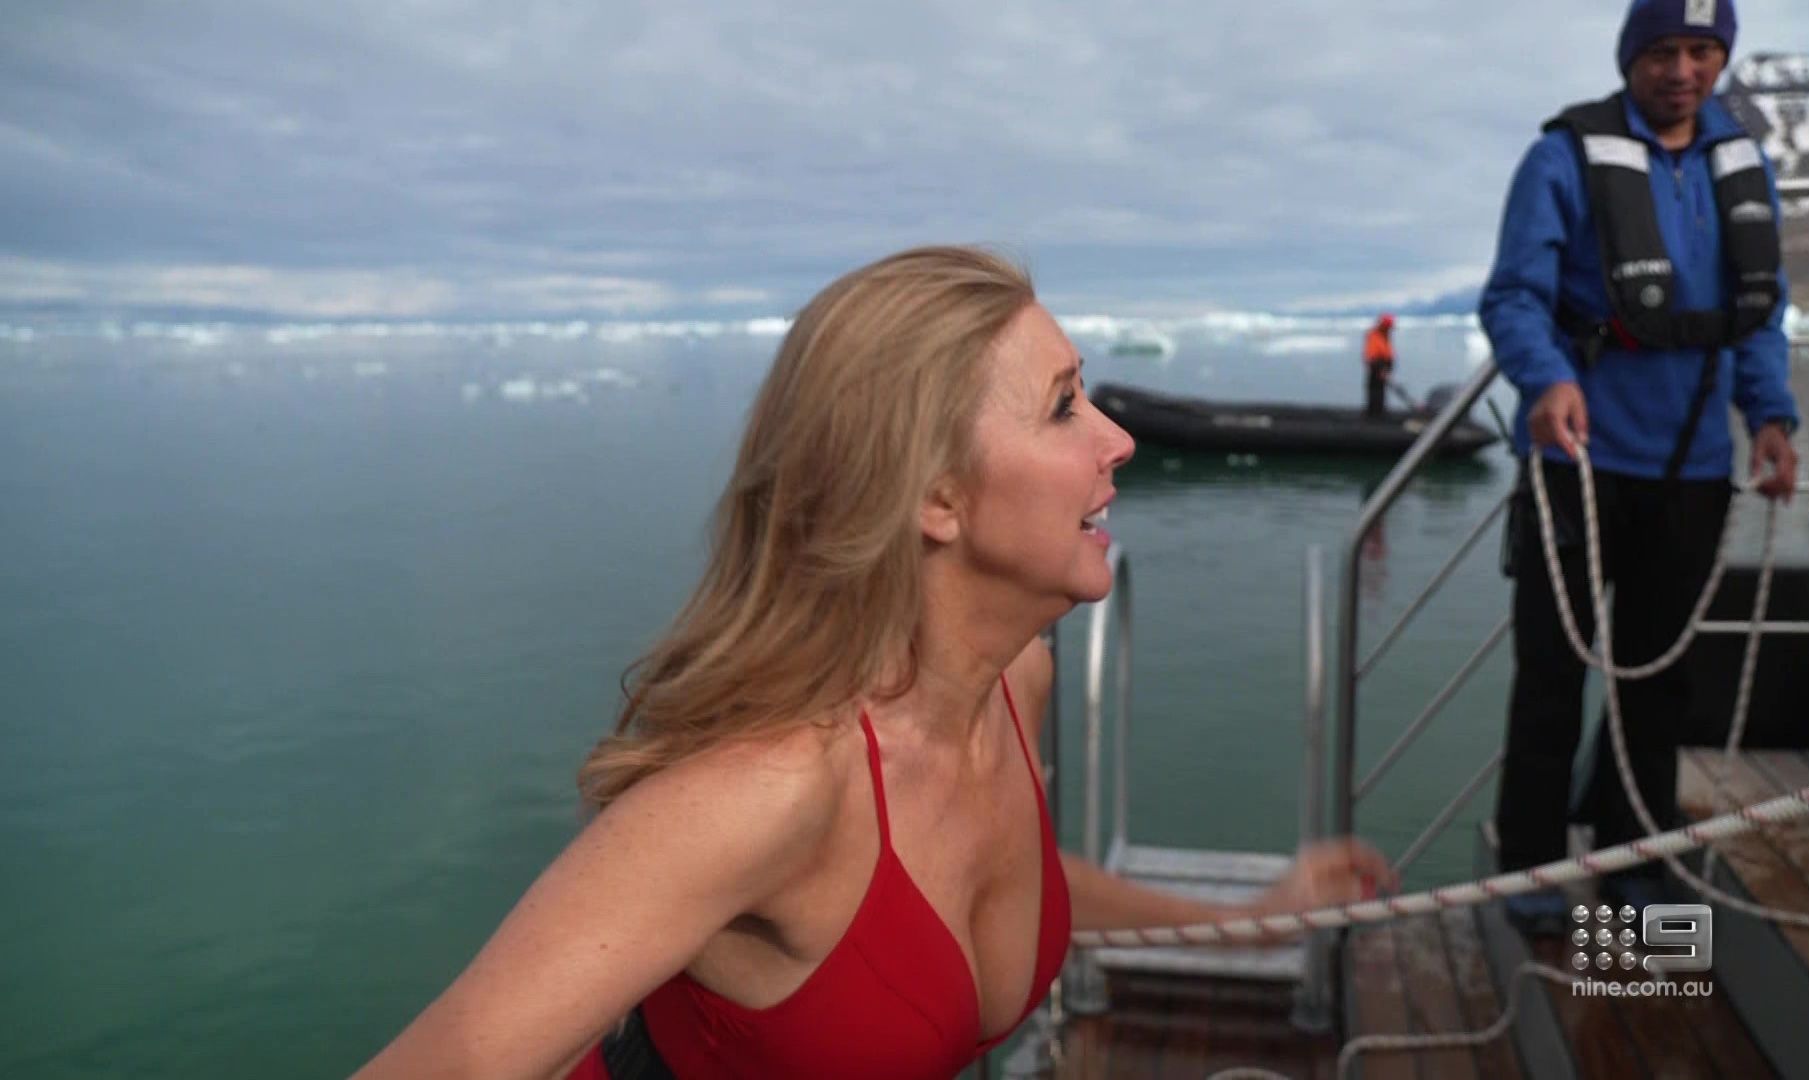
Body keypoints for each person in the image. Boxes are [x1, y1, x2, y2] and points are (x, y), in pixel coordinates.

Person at [353, 247, 1396, 1080]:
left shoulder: (1015, 684)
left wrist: (1243, 924)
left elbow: (992, 888)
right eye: (1064, 406)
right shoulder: (769, 791)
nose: (1118, 438)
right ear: (935, 497)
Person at [1480, 0, 1799, 937]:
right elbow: (1514, 297)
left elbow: (1757, 315)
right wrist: (1546, 379)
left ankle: (1635, 862)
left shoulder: (1743, 166)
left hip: (1695, 469)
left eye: (1703, 50)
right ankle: (1532, 868)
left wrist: (1770, 415)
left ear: (1722, 59)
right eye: (1663, 50)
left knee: (1660, 685)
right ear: (1631, 57)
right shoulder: (1561, 159)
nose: (1683, 70)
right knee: (1550, 677)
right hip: (1577, 463)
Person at [1362, 313, 1396, 418]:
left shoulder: (1383, 336)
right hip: (1376, 367)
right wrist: (1381, 369)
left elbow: (1388, 354)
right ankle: (1373, 413)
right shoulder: (1375, 336)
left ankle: (1379, 411)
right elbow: (1372, 356)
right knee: (1375, 390)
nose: (1390, 329)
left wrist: (1387, 368)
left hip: (1382, 367)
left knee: (1380, 390)